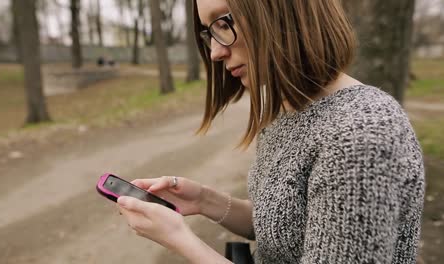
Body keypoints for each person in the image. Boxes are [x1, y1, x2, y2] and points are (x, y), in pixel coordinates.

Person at [116, 0, 425, 263]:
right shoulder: (290, 113)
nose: (214, 53)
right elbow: (288, 228)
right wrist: (203, 200)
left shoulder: (359, 134)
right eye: (209, 32)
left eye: (225, 23)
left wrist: (181, 241)